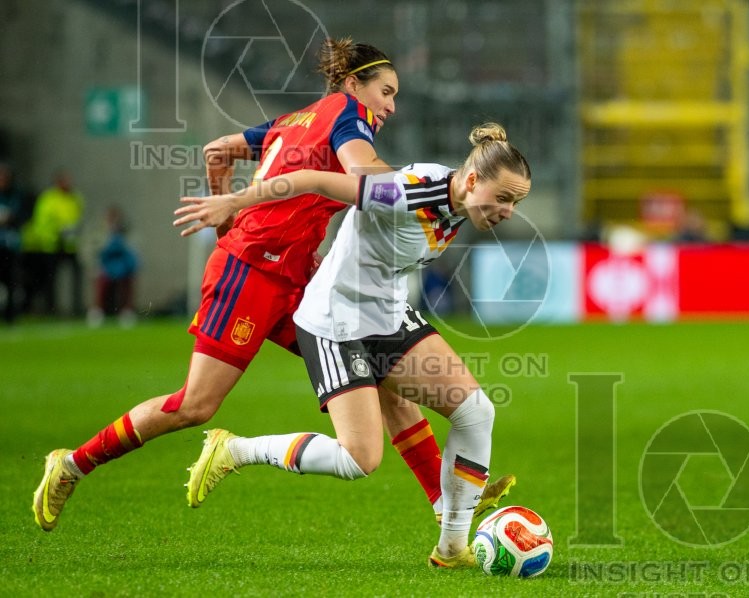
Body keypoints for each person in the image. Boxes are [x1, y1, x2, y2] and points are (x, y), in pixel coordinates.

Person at [32, 38, 512, 534]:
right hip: (252, 276)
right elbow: (363, 174)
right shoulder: (350, 117)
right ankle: (72, 465)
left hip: (299, 278)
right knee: (194, 405)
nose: (390, 105)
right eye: (385, 92)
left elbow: (216, 151)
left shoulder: (297, 120)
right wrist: (419, 189)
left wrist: (226, 215)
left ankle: (443, 503)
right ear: (353, 84)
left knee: (383, 376)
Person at [173, 122, 532, 567]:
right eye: (503, 198)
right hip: (334, 320)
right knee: (359, 458)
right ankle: (234, 450)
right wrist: (236, 200)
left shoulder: (461, 201)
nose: (509, 211)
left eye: (516, 203)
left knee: (476, 412)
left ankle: (452, 547)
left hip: (386, 315)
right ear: (473, 180)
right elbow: (313, 180)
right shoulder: (403, 192)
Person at [21, 170, 85, 316]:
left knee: (76, 276)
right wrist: (57, 231)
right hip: (52, 245)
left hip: (71, 244)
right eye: (66, 181)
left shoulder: (76, 197)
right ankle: (51, 309)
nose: (69, 184)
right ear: (58, 182)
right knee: (51, 279)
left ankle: (76, 308)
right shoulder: (48, 198)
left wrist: (73, 230)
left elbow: (79, 216)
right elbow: (41, 222)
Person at [87, 206, 140, 328]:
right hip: (106, 267)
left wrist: (129, 267)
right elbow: (94, 252)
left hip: (123, 267)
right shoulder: (100, 233)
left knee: (127, 281)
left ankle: (127, 311)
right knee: (102, 282)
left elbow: (133, 253)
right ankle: (97, 311)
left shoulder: (127, 233)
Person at [0, 162, 25, 324]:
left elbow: (19, 215)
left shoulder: (16, 195)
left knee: (10, 281)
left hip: (10, 245)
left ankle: (10, 316)